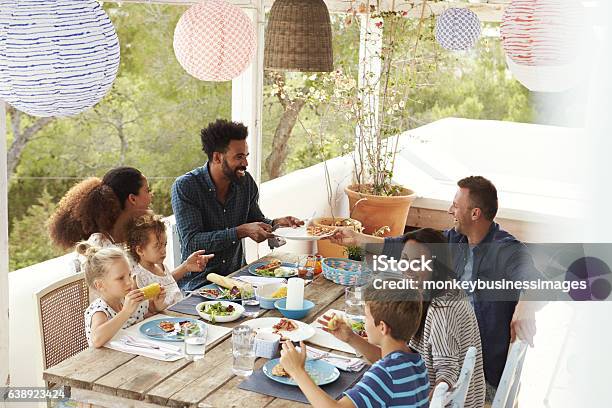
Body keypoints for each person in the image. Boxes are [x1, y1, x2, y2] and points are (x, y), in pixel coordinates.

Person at [330, 176, 540, 401]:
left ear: (475, 213)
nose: (450, 210)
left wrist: (525, 308)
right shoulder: (455, 241)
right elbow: (408, 246)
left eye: (456, 206)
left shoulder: (506, 250)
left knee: (370, 386)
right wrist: (359, 239)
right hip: (438, 358)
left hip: (477, 379)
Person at [324, 228, 485, 407]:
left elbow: (446, 375)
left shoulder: (442, 309)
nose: (407, 269)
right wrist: (351, 338)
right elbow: (399, 362)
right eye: (405, 260)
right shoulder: (442, 289)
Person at [171, 119, 302, 290]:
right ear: (217, 157)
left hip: (239, 278)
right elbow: (192, 242)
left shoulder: (245, 182)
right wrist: (240, 231)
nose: (245, 163)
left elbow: (256, 220)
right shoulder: (186, 187)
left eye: (246, 156)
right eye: (239, 157)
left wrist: (276, 223)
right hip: (201, 284)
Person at [279, 286, 429, 408]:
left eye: (367, 316)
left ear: (382, 327)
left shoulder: (384, 375)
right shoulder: (415, 361)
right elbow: (385, 360)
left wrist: (297, 371)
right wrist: (351, 338)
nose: (364, 321)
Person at [78, 242, 166, 348]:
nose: (129, 282)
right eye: (120, 278)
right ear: (100, 285)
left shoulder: (127, 299)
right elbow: (97, 339)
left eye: (129, 275)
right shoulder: (99, 310)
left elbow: (150, 309)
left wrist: (157, 303)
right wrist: (126, 312)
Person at [49, 166, 153, 250]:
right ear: (132, 199)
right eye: (147, 190)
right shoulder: (98, 246)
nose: (151, 195)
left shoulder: (129, 236)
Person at [126, 213, 214, 307]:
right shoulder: (138, 277)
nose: (163, 251)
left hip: (182, 309)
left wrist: (187, 266)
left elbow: (167, 282)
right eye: (157, 246)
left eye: (165, 244)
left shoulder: (160, 265)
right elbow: (141, 311)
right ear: (140, 250)